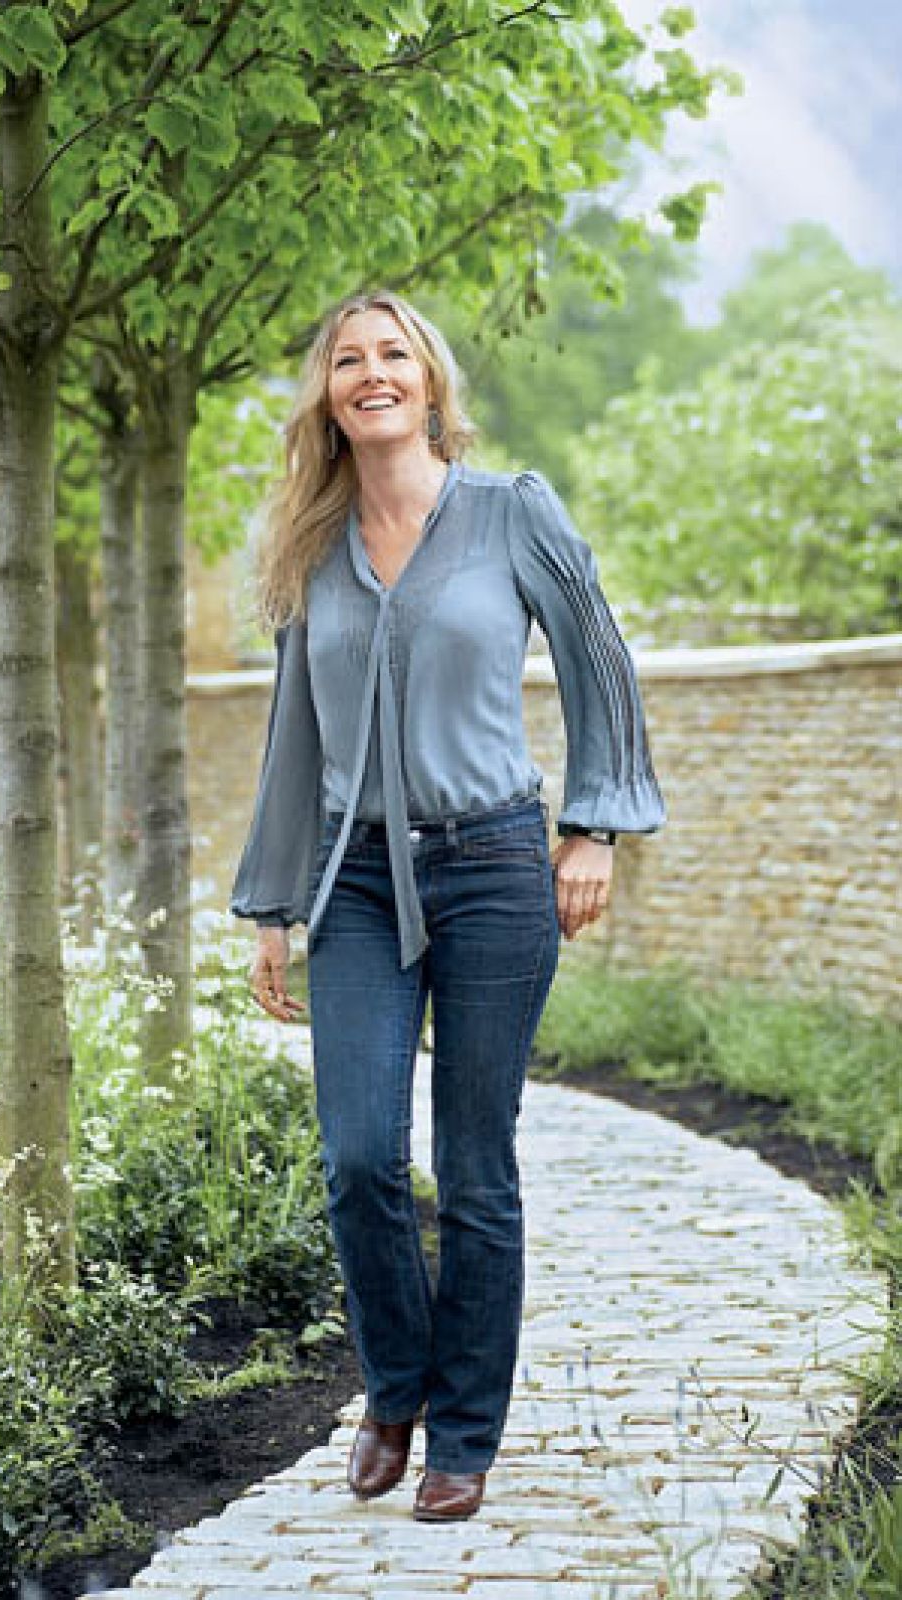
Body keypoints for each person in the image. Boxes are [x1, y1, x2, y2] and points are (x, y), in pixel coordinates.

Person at [230, 288, 665, 1522]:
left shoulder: (510, 511)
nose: (372, 373)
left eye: (394, 354)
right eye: (348, 360)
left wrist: (594, 826)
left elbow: (598, 660)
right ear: (328, 395)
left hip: (492, 867)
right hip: (357, 878)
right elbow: (294, 733)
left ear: (428, 381)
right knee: (359, 1156)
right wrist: (273, 905)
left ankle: (463, 1433)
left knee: (476, 1168)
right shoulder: (310, 548)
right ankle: (394, 1387)